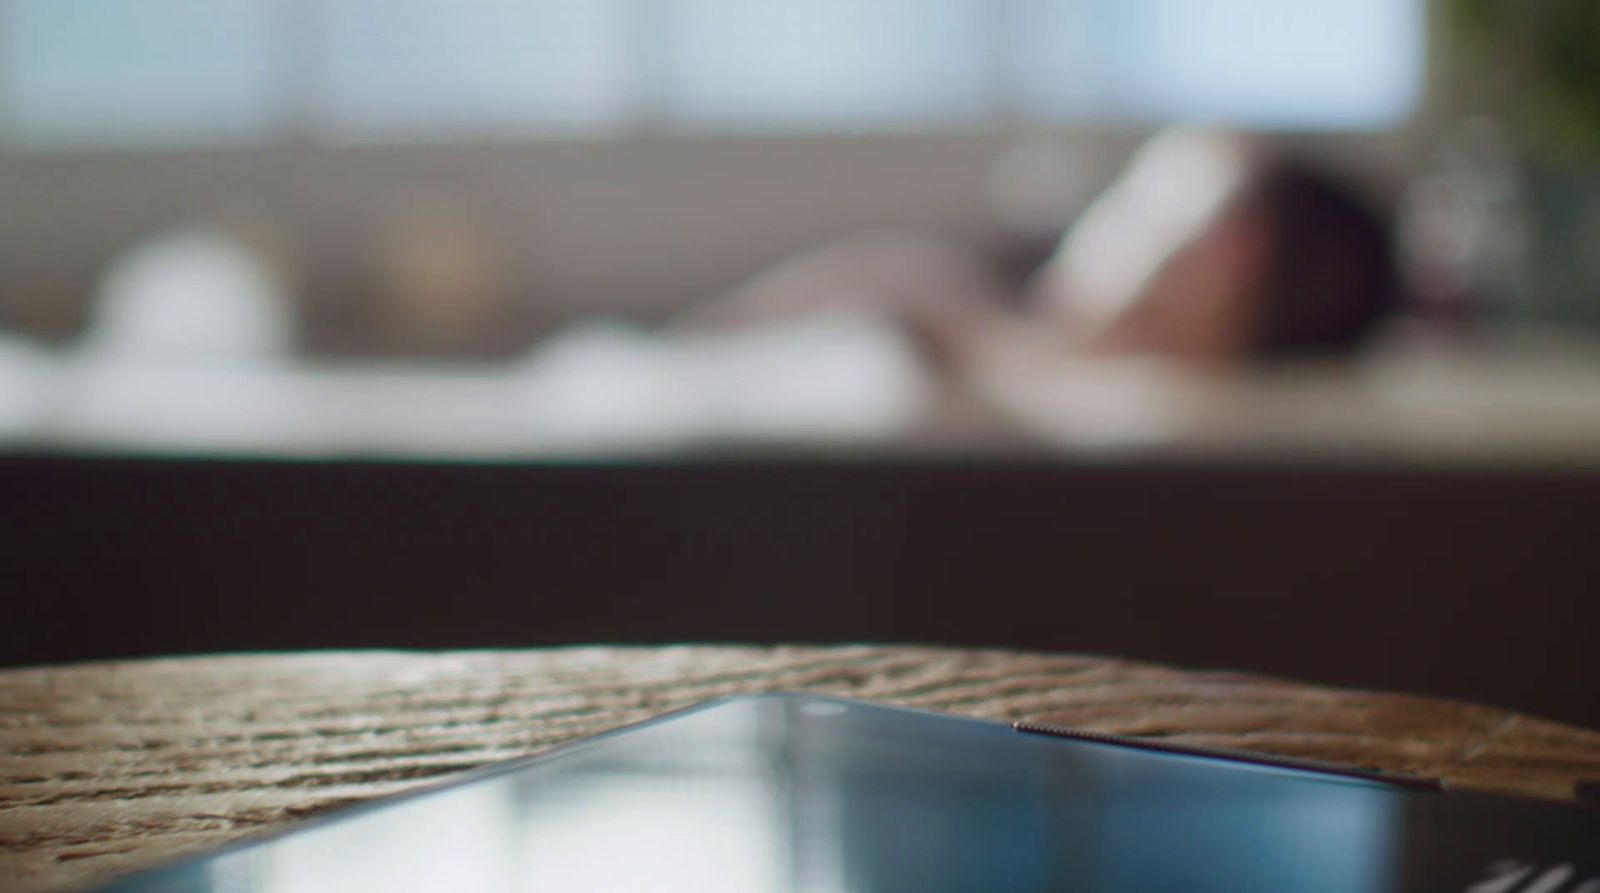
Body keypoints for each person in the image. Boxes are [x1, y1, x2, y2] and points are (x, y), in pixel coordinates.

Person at [681, 128, 1401, 382]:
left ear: (1224, 260)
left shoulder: (926, 325)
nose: (1094, 221)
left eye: (1137, 199)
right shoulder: (952, 314)